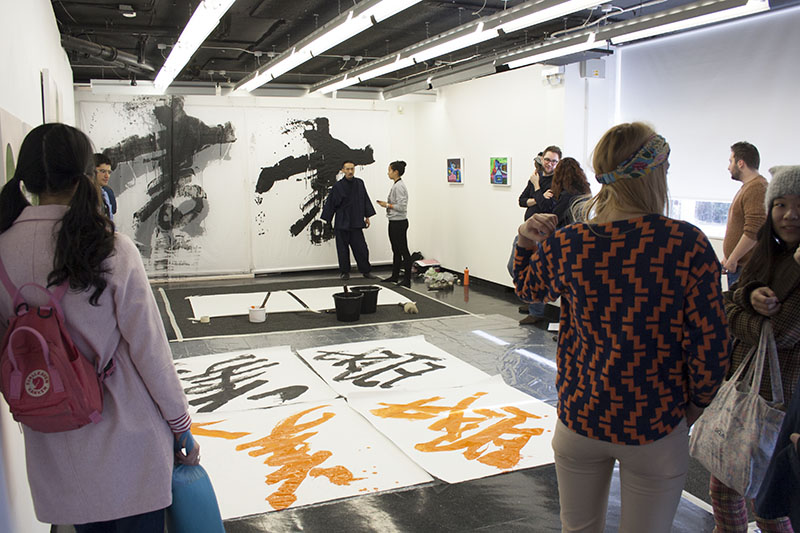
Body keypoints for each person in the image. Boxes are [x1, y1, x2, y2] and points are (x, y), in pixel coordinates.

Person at [512, 122, 729, 533]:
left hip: (581, 416)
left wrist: (525, 241)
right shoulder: (685, 244)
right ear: (654, 173)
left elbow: (529, 289)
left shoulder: (571, 242)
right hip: (655, 424)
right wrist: (691, 408)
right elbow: (711, 347)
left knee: (577, 527)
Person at [0, 124, 199, 532]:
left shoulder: (3, 249)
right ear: (84, 175)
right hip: (126, 436)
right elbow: (149, 349)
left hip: (52, 438)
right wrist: (180, 424)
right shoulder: (110, 247)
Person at [712, 165, 800, 533]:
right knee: (731, 488)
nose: (790, 215)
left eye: (799, 205)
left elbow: (781, 332)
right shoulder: (768, 253)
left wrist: (739, 315)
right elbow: (727, 301)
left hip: (783, 400)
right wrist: (748, 295)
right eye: (780, 204)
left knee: (767, 498)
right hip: (749, 384)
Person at [518, 146, 561, 325]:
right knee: (514, 265)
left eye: (554, 161)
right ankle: (531, 299)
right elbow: (521, 201)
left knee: (537, 271)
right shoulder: (536, 177)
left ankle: (536, 311)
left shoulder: (556, 182)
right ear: (541, 159)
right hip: (527, 232)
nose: (549, 164)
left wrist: (536, 188)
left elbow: (546, 207)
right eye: (547, 160)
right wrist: (538, 196)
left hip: (542, 235)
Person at [321, 160, 378, 281]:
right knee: (342, 249)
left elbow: (365, 200)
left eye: (352, 169)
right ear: (342, 170)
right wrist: (328, 222)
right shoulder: (338, 186)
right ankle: (344, 272)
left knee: (361, 249)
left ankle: (366, 271)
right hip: (342, 222)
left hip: (356, 221)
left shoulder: (359, 183)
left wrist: (367, 216)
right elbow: (331, 204)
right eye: (347, 169)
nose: (350, 171)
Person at [723, 142, 768, 288]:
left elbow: (754, 230)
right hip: (739, 266)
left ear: (740, 163)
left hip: (745, 268)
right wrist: (728, 257)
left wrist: (733, 259)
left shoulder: (756, 188)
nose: (729, 167)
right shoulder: (749, 187)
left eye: (731, 161)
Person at [377, 160, 411, 288]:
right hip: (394, 221)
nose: (388, 173)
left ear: (395, 172)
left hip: (399, 222)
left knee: (403, 250)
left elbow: (402, 207)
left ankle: (407, 279)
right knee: (396, 250)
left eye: (389, 170)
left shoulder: (399, 186)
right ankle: (395, 275)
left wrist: (386, 205)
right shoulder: (396, 185)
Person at [536, 157, 592, 227]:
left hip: (566, 233)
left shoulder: (567, 196)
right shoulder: (586, 192)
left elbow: (555, 219)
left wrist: (536, 186)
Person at [93, 152, 116, 221]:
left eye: (109, 172)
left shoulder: (106, 193)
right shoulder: (81, 195)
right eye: (102, 171)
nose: (107, 176)